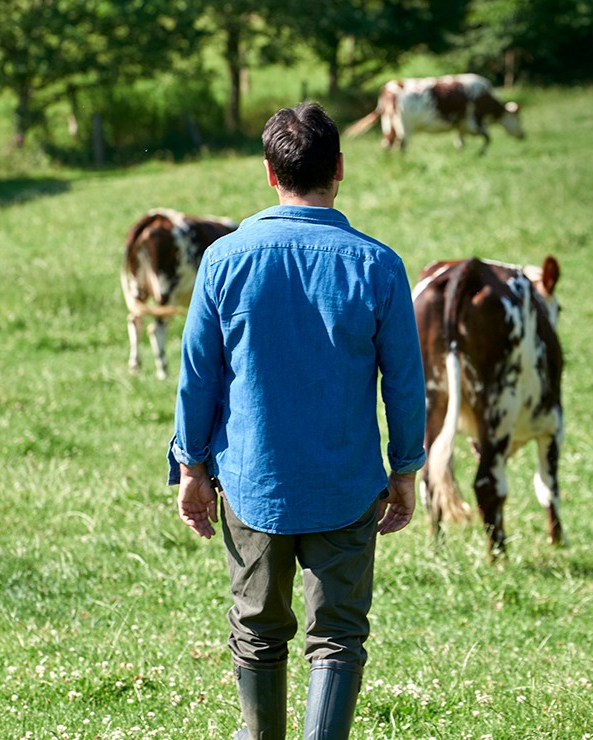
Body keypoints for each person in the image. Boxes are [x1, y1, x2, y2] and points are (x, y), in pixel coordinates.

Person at [168, 101, 426, 739]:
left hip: (253, 484)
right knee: (338, 638)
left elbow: (197, 376)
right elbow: (405, 382)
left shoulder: (224, 260)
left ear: (268, 172)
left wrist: (191, 466)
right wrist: (407, 469)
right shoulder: (380, 265)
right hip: (346, 484)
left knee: (257, 632)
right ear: (340, 168)